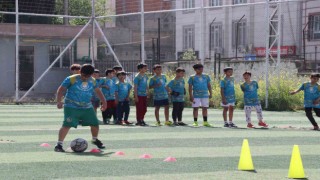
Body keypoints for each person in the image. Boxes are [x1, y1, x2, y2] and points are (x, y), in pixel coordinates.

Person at [54, 64, 107, 152]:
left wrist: (104, 102)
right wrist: (59, 101)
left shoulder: (93, 81)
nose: (85, 78)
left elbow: (98, 91)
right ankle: (59, 145)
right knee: (67, 125)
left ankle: (94, 139)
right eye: (83, 75)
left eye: (88, 76)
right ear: (80, 72)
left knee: (95, 124)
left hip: (87, 106)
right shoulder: (71, 79)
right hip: (71, 106)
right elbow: (61, 89)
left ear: (91, 75)